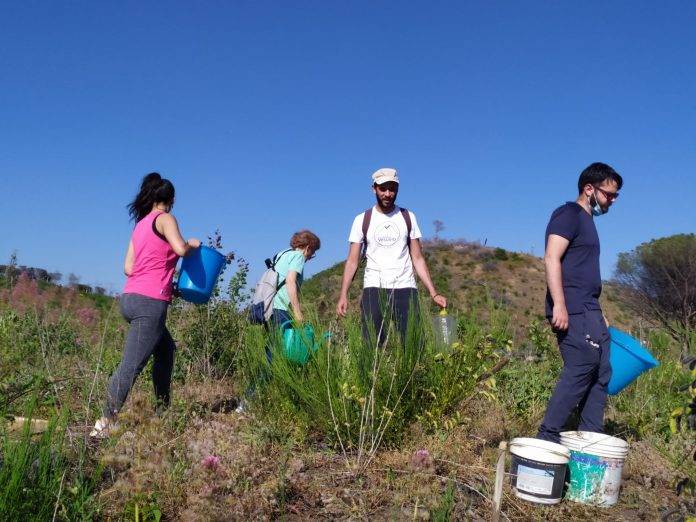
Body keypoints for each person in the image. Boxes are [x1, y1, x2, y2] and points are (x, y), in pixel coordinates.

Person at [90, 173, 201, 437]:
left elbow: (128, 267)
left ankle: (162, 411)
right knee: (131, 365)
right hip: (150, 303)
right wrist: (192, 245)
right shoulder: (166, 218)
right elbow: (181, 248)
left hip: (130, 298)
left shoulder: (140, 225)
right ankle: (104, 423)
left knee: (165, 352)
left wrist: (159, 276)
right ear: (170, 199)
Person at [537, 162, 623, 443]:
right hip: (571, 307)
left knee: (601, 373)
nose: (612, 200)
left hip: (590, 309)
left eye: (615, 196)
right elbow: (551, 257)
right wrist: (559, 304)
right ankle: (547, 438)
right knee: (582, 366)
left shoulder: (589, 222)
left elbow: (583, 270)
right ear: (589, 189)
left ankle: (590, 444)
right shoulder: (568, 214)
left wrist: (600, 314)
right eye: (608, 194)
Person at [336, 168, 447, 346]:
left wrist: (433, 293)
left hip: (405, 287)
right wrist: (343, 295)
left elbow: (417, 258)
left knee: (413, 345)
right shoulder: (362, 219)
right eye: (383, 189)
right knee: (371, 345)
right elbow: (352, 260)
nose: (388, 194)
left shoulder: (408, 217)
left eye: (392, 188)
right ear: (374, 189)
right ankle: (372, 375)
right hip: (374, 287)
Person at [270, 230, 321, 329]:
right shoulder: (298, 256)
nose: (311, 257)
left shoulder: (283, 254)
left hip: (270, 307)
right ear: (308, 247)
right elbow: (290, 281)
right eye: (313, 252)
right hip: (282, 309)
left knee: (273, 342)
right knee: (285, 343)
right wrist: (297, 312)